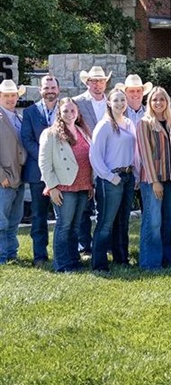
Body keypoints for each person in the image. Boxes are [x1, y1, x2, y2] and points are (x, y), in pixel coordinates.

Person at [38, 98, 93, 272]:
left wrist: (90, 184)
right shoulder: (51, 133)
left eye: (72, 111)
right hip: (64, 186)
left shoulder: (82, 131)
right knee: (64, 225)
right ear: (59, 113)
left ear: (77, 113)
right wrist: (52, 187)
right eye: (66, 111)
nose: (69, 114)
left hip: (83, 185)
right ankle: (62, 264)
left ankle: (73, 260)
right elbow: (44, 162)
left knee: (75, 226)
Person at [89, 88, 137, 272]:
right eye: (116, 100)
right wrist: (109, 176)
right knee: (106, 222)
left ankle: (121, 258)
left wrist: (136, 174)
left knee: (123, 221)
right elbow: (95, 155)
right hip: (110, 178)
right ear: (109, 103)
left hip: (128, 176)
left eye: (122, 100)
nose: (120, 103)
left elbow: (135, 152)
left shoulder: (129, 123)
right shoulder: (104, 125)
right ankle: (99, 263)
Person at [135, 86, 171, 270]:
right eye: (154, 100)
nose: (158, 103)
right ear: (149, 103)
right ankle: (150, 263)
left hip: (169, 180)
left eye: (162, 99)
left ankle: (166, 258)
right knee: (153, 222)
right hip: (153, 181)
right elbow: (145, 155)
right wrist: (155, 182)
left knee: (169, 220)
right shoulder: (145, 123)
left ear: (167, 102)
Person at [20, 74, 60, 266]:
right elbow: (27, 140)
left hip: (62, 173)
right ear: (40, 90)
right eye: (46, 88)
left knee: (65, 215)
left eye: (53, 88)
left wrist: (56, 161)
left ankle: (64, 253)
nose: (50, 91)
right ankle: (40, 256)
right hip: (37, 173)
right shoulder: (29, 112)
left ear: (58, 90)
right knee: (38, 215)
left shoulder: (66, 110)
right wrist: (46, 158)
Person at [74, 64, 110, 257]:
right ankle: (84, 246)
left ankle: (105, 244)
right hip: (85, 160)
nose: (98, 84)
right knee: (85, 206)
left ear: (106, 83)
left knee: (106, 204)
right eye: (94, 81)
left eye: (101, 81)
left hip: (108, 160)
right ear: (87, 83)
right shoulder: (77, 102)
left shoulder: (112, 103)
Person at [0, 80, 27, 265]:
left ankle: (11, 253)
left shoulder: (18, 117)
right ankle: (2, 256)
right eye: (6, 95)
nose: (10, 99)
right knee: (1, 219)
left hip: (19, 176)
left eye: (13, 95)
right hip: (5, 177)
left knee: (15, 218)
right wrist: (1, 176)